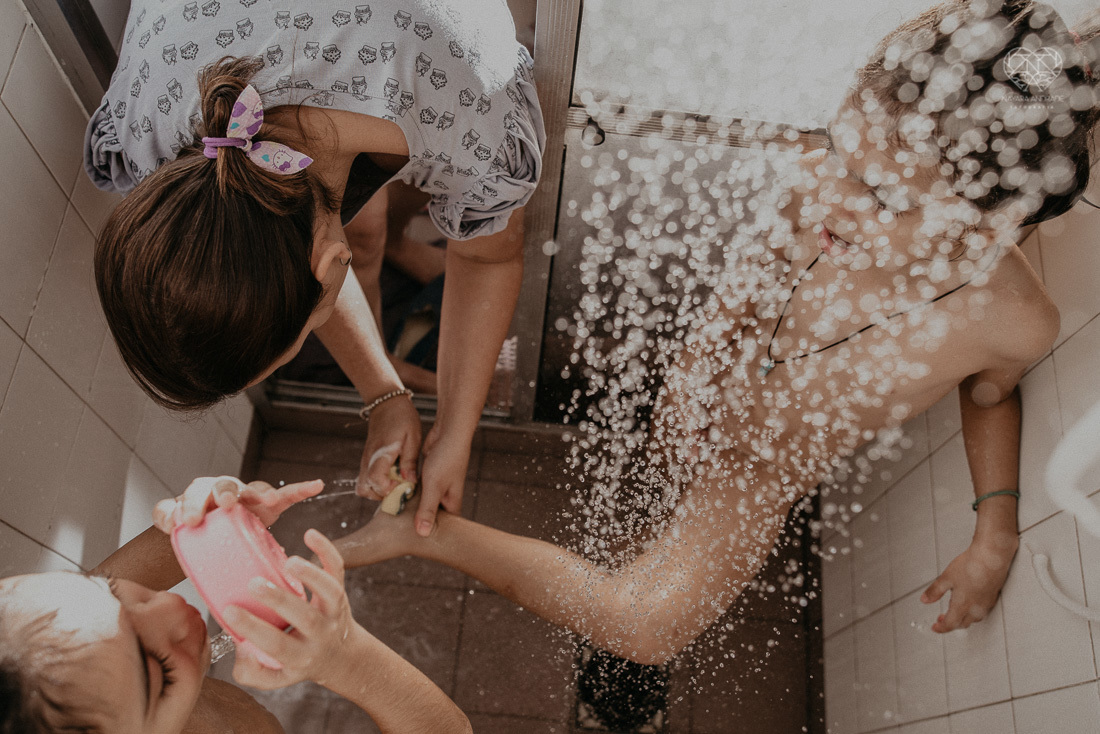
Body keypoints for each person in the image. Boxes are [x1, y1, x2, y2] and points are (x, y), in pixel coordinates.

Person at [335, 0, 1099, 664]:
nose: (829, 189)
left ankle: (423, 535)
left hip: (763, 471)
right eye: (839, 148)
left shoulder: (1010, 319)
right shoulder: (820, 192)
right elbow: (748, 286)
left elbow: (992, 394)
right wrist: (695, 370)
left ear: (988, 225)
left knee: (647, 628)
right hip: (712, 387)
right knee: (661, 468)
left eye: (879, 193)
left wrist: (994, 531)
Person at [84, 0, 546, 538]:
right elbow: (283, 244)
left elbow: (486, 255)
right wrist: (385, 396)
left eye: (304, 330)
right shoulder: (155, 134)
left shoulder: (465, 112)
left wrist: (457, 432)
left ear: (331, 264)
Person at [0, 477, 472, 734]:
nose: (171, 608)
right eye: (158, 669)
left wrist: (210, 515)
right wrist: (347, 659)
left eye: (112, 591)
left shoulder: (82, 658)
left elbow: (172, 542)